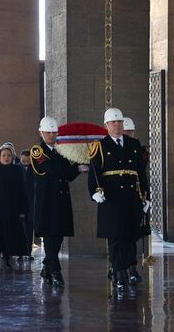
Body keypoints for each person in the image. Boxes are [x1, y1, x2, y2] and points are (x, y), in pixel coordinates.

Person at [88, 108, 149, 291]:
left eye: (120, 122)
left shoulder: (133, 144)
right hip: (111, 197)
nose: (117, 125)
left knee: (130, 236)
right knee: (115, 238)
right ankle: (118, 271)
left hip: (131, 197)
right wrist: (94, 192)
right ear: (106, 125)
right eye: (113, 122)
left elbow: (140, 173)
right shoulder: (100, 146)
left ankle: (130, 267)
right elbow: (94, 172)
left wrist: (146, 196)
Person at [31, 116, 87, 286]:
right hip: (47, 201)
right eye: (48, 132)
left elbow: (68, 174)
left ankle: (47, 267)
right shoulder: (37, 151)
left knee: (59, 235)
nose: (51, 135)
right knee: (49, 236)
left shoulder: (59, 151)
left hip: (61, 200)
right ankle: (55, 271)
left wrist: (77, 168)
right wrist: (75, 168)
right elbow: (52, 168)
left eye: (54, 132)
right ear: (41, 133)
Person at [20, 149, 35, 257]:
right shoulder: (16, 168)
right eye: (23, 161)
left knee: (29, 230)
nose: (25, 163)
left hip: (31, 205)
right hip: (19, 205)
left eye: (27, 161)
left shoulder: (35, 169)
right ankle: (20, 252)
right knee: (20, 229)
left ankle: (28, 252)